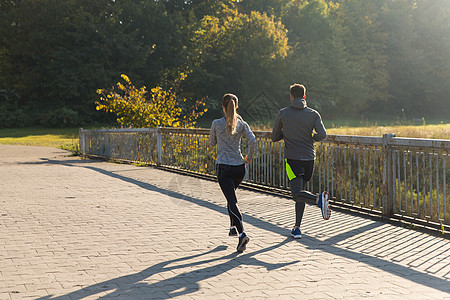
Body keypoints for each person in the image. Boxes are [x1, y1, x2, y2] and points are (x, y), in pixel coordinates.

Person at [271, 84, 331, 239]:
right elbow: (322, 134)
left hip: (293, 159)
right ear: (304, 96)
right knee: (301, 193)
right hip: (309, 159)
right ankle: (297, 228)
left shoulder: (283, 113)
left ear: (291, 96)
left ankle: (318, 199)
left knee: (296, 193)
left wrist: (286, 132)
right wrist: (312, 137)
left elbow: (274, 137)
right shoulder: (313, 114)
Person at [209, 93, 257, 252]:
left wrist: (217, 139)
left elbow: (211, 144)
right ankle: (232, 227)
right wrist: (248, 157)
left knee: (232, 201)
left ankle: (242, 234)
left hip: (224, 167)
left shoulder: (216, 124)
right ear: (236, 107)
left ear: (223, 107)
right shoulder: (242, 124)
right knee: (231, 199)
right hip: (239, 168)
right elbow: (253, 140)